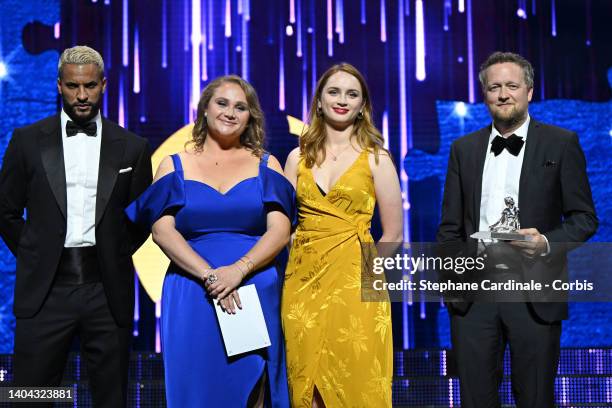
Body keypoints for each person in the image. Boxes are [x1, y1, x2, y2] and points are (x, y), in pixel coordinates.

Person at [437, 51, 597, 407]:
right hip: (474, 296)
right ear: (484, 94)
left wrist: (545, 243)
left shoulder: (561, 143)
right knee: (476, 399)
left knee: (536, 398)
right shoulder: (463, 149)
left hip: (535, 293)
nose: (503, 94)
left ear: (529, 91)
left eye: (512, 85)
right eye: (495, 87)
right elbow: (448, 229)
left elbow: (585, 218)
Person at [125, 75, 295, 407]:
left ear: (250, 118)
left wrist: (238, 271)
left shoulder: (267, 164)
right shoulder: (173, 165)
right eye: (222, 103)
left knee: (252, 390)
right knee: (198, 392)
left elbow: (280, 230)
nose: (230, 112)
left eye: (240, 107)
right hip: (193, 291)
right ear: (205, 109)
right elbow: (162, 231)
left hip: (252, 289)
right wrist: (212, 275)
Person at [0, 46, 152, 407]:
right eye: (72, 86)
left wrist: (112, 255)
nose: (81, 95)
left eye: (89, 86)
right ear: (58, 86)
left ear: (103, 85)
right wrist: (37, 252)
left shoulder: (133, 147)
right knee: (31, 397)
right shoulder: (26, 141)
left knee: (109, 398)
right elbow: (5, 211)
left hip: (106, 290)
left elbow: (143, 216)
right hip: (45, 291)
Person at [282, 63, 403, 407]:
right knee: (306, 382)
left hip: (357, 284)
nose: (342, 100)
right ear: (319, 101)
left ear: (362, 105)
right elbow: (283, 227)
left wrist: (364, 274)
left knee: (357, 380)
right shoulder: (296, 158)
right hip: (303, 286)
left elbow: (393, 232)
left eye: (352, 94)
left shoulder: (377, 158)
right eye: (333, 92)